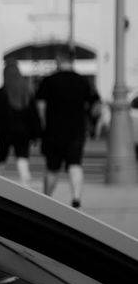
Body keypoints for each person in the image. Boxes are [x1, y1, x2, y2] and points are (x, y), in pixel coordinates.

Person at [34, 47, 101, 208]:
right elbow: (96, 105)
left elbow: (41, 107)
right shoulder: (83, 81)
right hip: (76, 130)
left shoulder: (49, 81)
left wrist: (42, 126)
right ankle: (76, 198)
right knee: (75, 164)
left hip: (53, 131)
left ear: (59, 59)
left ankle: (47, 198)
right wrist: (91, 123)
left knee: (52, 168)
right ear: (72, 59)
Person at [0, 59, 40, 189]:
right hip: (23, 134)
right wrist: (36, 135)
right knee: (23, 161)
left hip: (3, 134)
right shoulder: (27, 93)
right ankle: (26, 187)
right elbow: (33, 116)